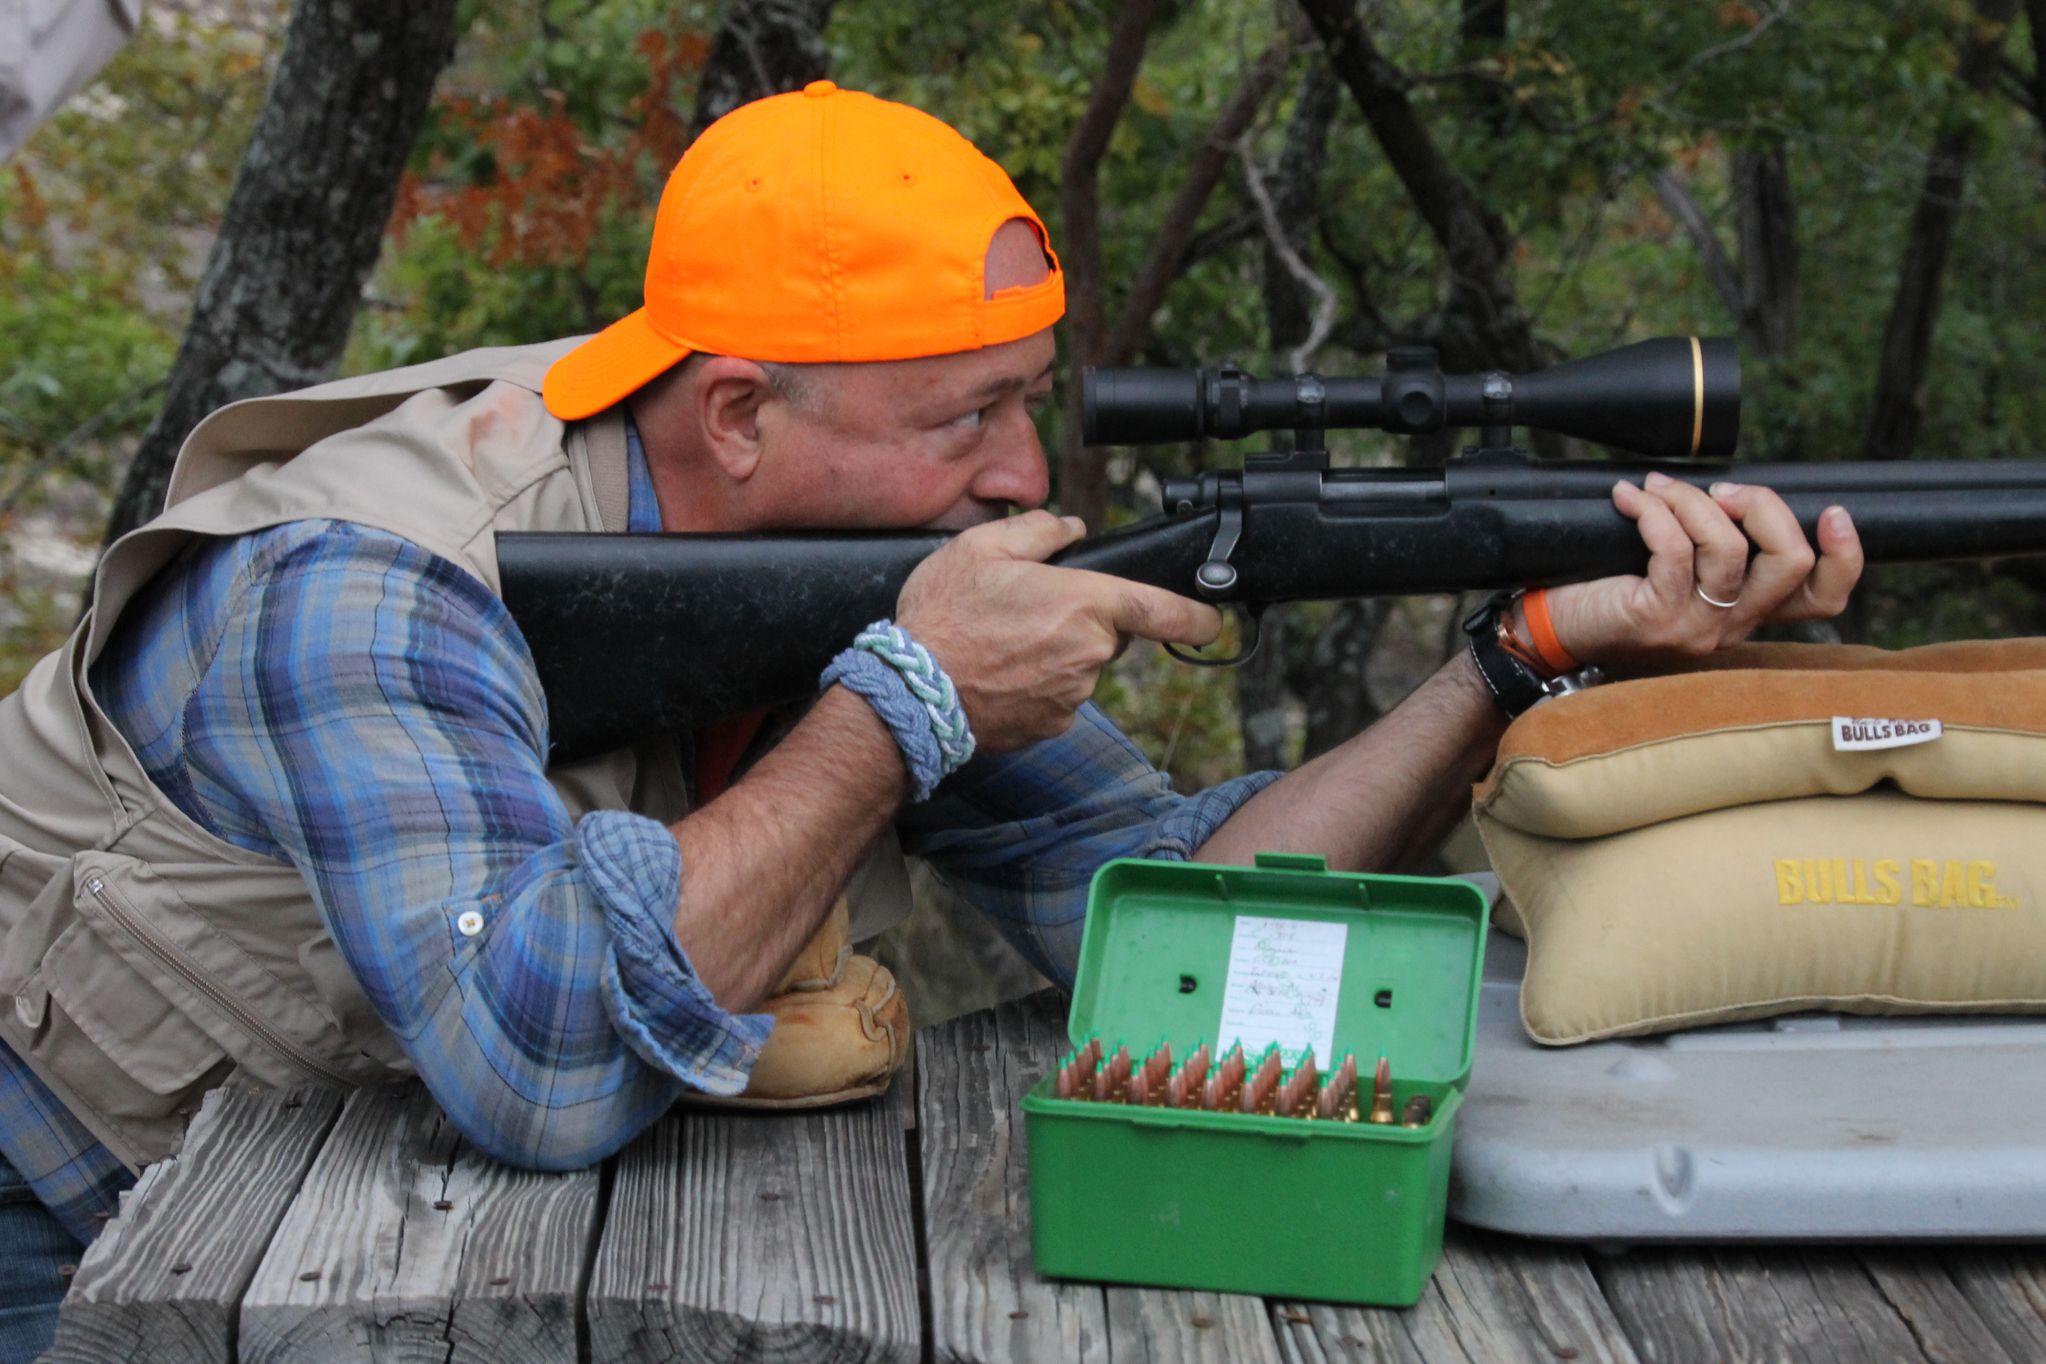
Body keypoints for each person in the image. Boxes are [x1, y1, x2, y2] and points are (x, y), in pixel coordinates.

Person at [0, 81, 1862, 1357]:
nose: (1020, 472)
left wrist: (1518, 659)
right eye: (959, 417)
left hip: (400, 1247)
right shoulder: (361, 579)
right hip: (75, 1224)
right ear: (736, 415)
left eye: (1028, 403)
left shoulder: (866, 561)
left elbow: (1179, 922)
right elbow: (541, 1065)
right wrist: (900, 707)